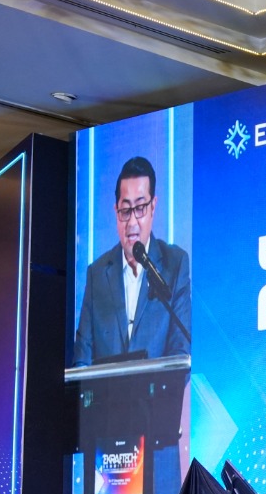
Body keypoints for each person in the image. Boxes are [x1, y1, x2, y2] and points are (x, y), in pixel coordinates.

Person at [74, 156, 192, 366]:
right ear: (116, 211)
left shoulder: (175, 265)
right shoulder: (97, 274)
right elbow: (82, 357)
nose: (132, 222)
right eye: (125, 210)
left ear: (153, 207)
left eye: (140, 208)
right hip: (106, 389)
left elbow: (180, 352)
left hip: (159, 389)